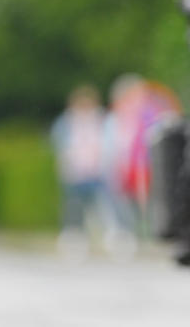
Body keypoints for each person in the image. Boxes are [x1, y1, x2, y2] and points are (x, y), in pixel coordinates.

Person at [51, 85, 109, 258]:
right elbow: (60, 147)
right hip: (75, 173)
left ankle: (102, 238)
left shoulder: (100, 120)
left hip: (96, 172)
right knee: (74, 208)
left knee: (99, 207)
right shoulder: (66, 122)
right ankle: (74, 237)